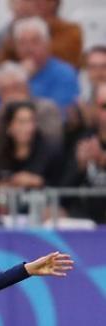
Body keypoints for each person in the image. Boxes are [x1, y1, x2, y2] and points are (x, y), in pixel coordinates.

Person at [0, 17, 79, 118]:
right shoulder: (9, 71)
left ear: (48, 44)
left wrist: (21, 87)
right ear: (15, 47)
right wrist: (18, 75)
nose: (28, 48)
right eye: (22, 43)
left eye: (35, 42)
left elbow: (59, 114)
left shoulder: (64, 73)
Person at [0, 100, 62, 221]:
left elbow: (63, 189)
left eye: (31, 121)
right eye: (21, 122)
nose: (28, 127)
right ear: (9, 126)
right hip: (9, 218)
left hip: (42, 219)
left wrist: (40, 183)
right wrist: (1, 192)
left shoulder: (50, 151)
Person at [0, 61, 64, 156]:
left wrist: (23, 118)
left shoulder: (46, 107)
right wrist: (1, 116)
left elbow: (53, 142)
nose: (11, 94)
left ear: (26, 87)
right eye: (5, 90)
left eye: (16, 87)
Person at [61, 82, 106, 222]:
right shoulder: (83, 140)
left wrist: (103, 160)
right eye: (104, 107)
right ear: (93, 109)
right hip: (86, 224)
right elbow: (63, 195)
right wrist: (79, 167)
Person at [0, 0, 82, 68]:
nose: (37, 3)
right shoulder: (20, 27)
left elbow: (63, 56)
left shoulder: (70, 30)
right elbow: (3, 61)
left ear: (54, 3)